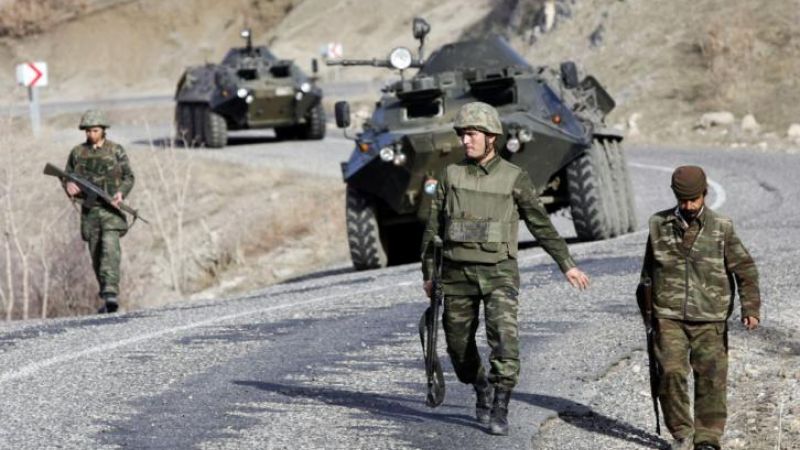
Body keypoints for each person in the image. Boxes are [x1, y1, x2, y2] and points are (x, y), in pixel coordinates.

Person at [420, 102, 590, 435]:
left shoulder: (514, 178)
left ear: (491, 137)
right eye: (462, 134)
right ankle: (480, 385)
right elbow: (434, 228)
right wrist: (428, 274)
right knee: (458, 349)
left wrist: (566, 264)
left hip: (499, 272)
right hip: (456, 275)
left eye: (471, 134)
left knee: (504, 341)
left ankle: (500, 405)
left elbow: (541, 225)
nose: (465, 141)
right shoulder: (451, 175)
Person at [639, 165, 761, 450]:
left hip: (710, 318)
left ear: (704, 194)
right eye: (683, 200)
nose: (689, 206)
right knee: (670, 373)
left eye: (694, 199)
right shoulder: (658, 224)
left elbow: (745, 269)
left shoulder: (721, 227)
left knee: (711, 379)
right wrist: (648, 314)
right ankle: (682, 433)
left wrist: (750, 308)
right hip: (668, 315)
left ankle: (707, 438)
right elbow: (648, 273)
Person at [64, 110, 135, 314]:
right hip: (90, 212)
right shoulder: (77, 153)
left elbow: (129, 176)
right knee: (96, 255)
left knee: (109, 248)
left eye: (95, 130)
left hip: (111, 210)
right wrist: (68, 185)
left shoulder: (116, 150)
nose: (91, 134)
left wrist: (121, 193)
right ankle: (106, 295)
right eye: (88, 131)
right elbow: (66, 175)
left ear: (103, 130)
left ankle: (111, 291)